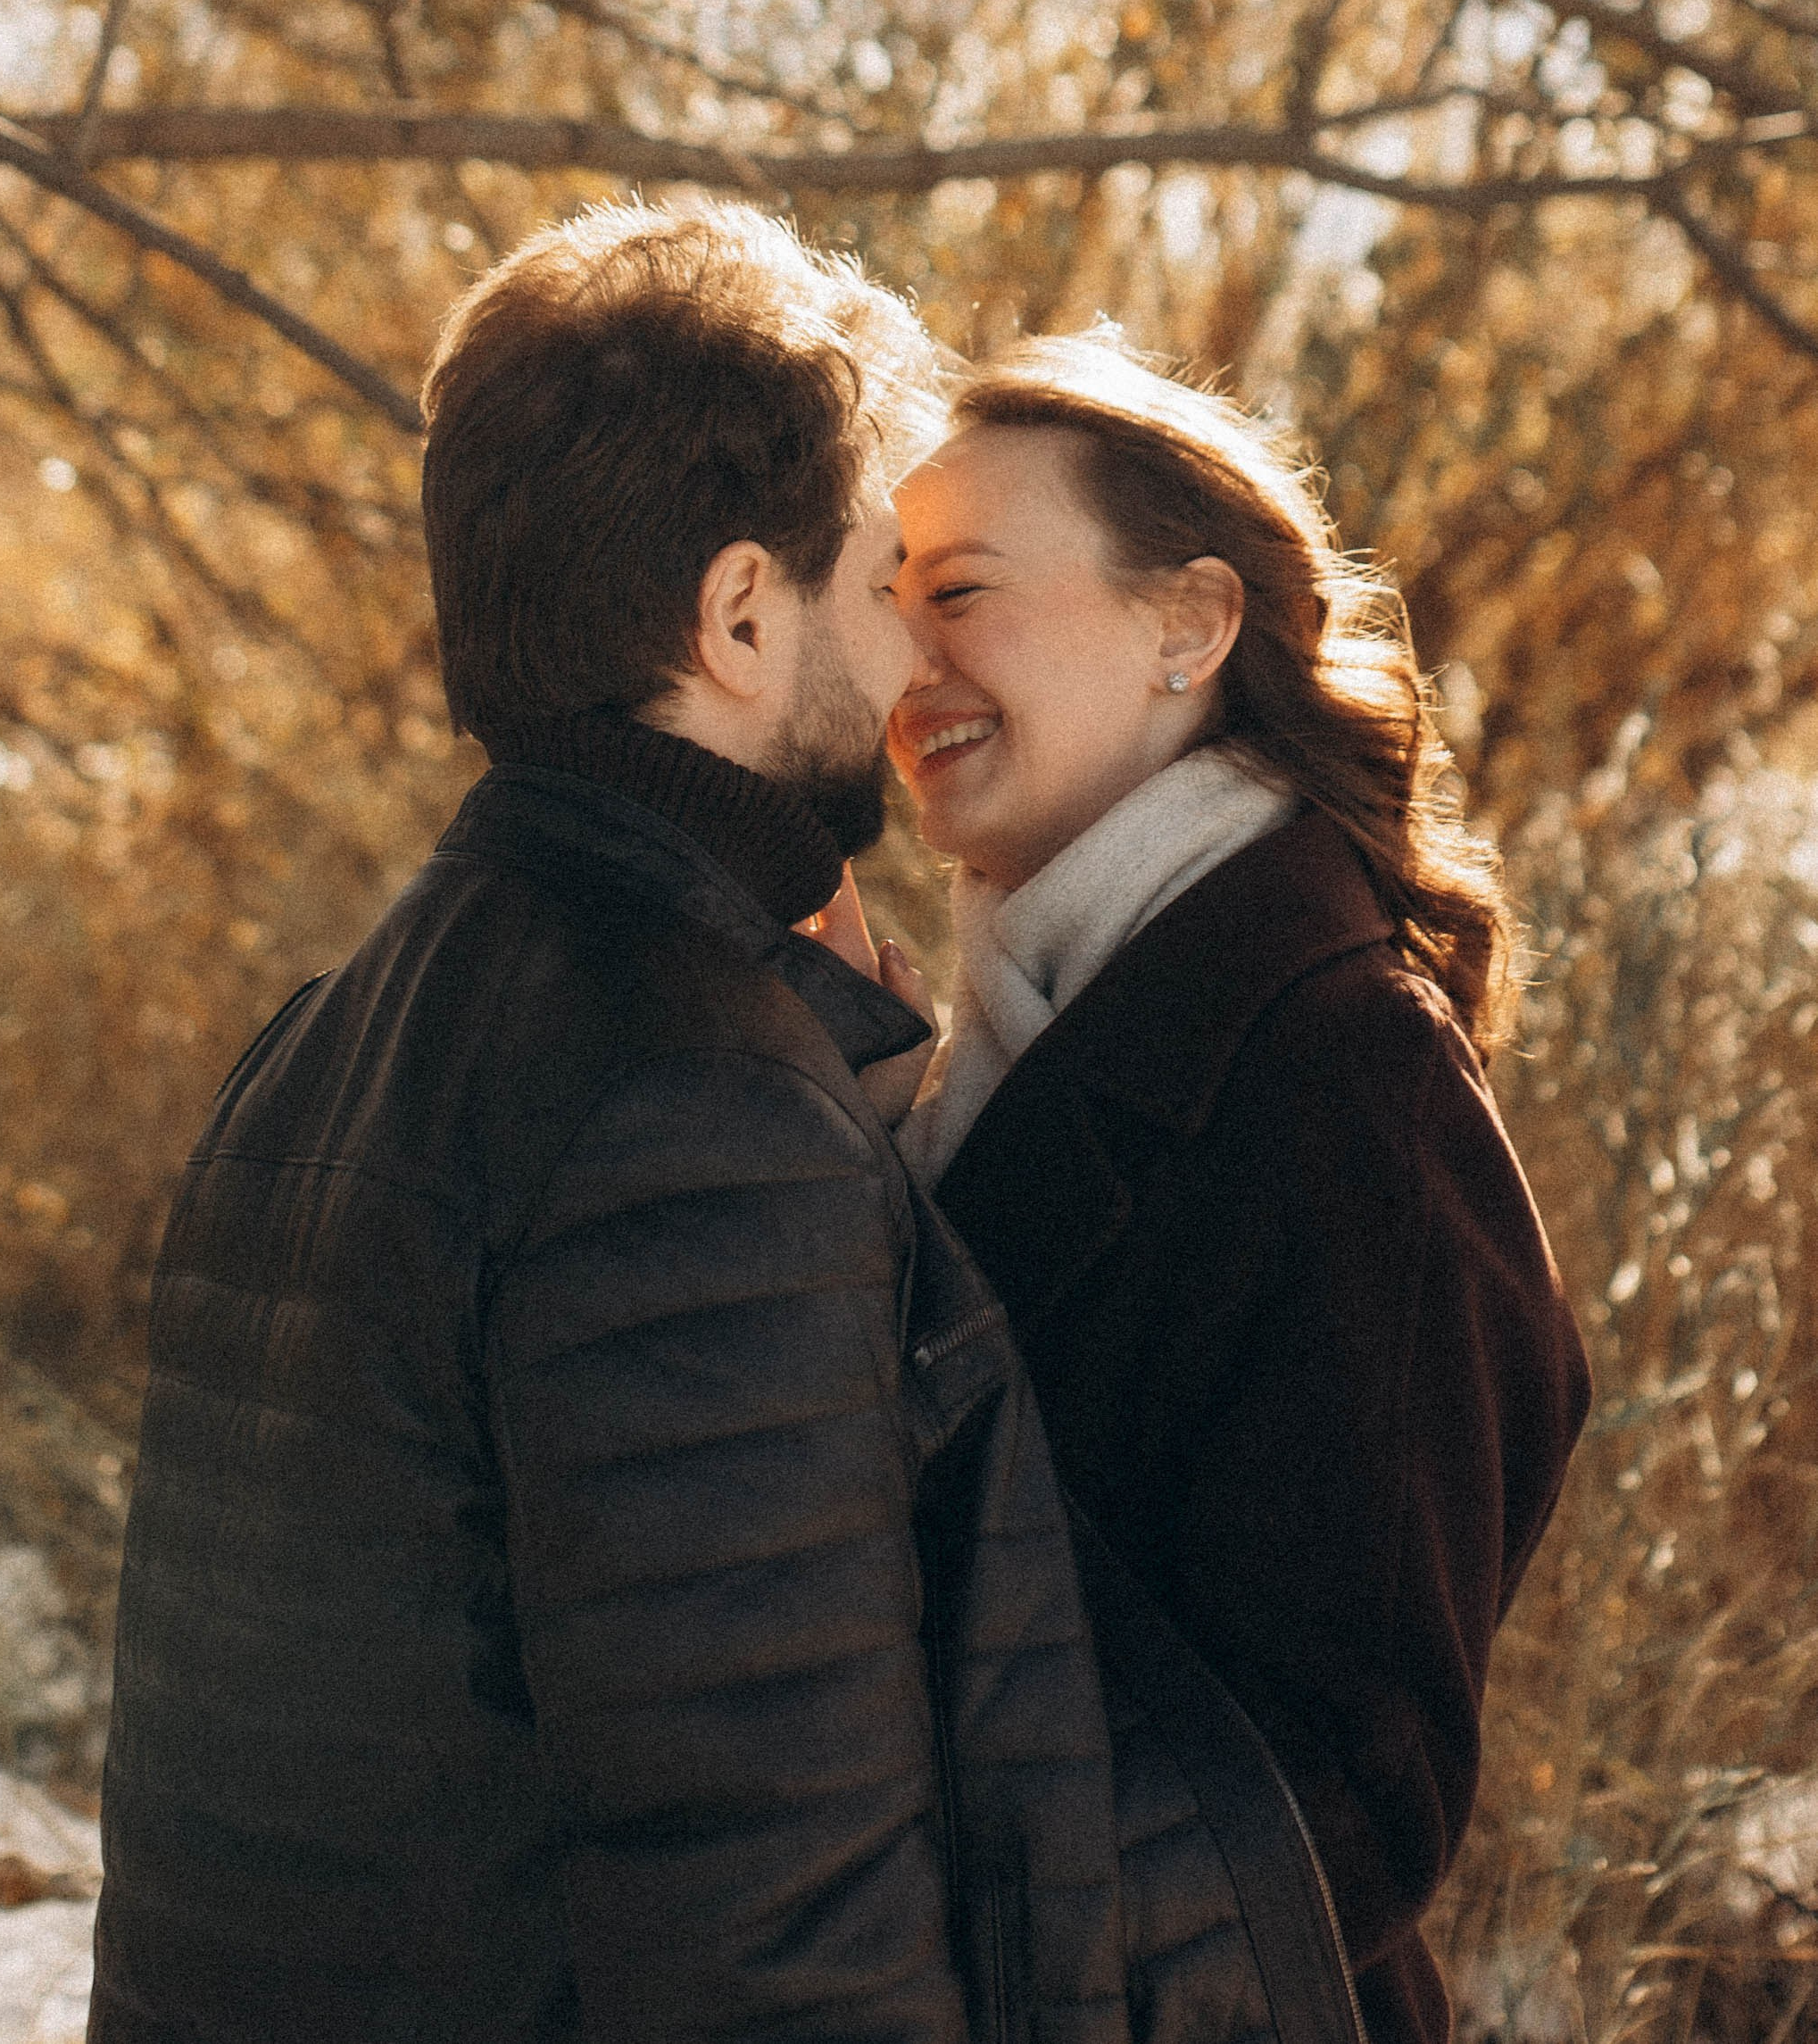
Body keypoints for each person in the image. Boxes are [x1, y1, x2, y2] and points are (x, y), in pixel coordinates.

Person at [87, 204, 1133, 2044]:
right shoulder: (693, 1109)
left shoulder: (322, 1046)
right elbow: (775, 1919)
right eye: (880, 582)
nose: (913, 656)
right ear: (739, 617)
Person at [875, 328, 1593, 2044]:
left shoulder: (1351, 1080)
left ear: (1188, 626)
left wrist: (910, 1963)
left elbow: (1340, 1792)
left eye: (958, 590)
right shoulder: (981, 1042)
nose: (901, 654)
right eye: (883, 598)